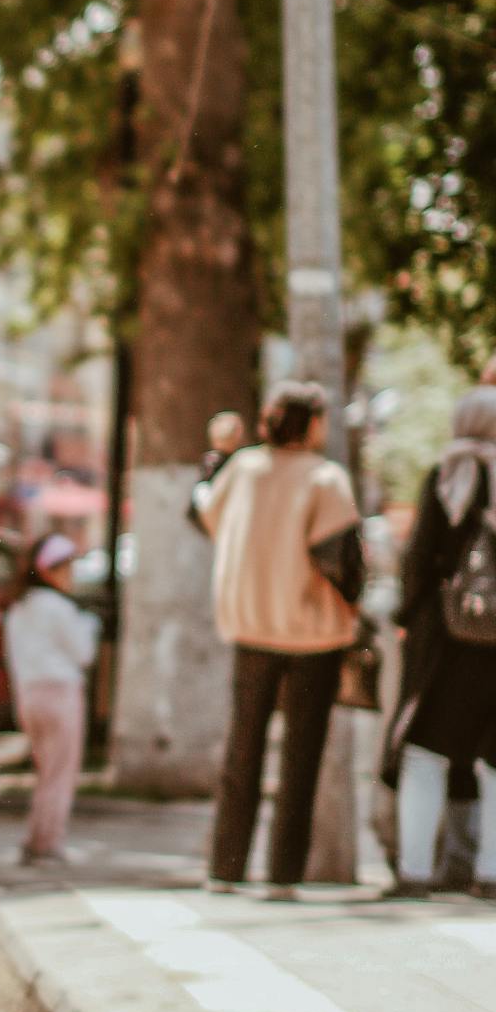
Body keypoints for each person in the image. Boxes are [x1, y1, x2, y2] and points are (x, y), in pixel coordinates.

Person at [196, 381, 363, 895]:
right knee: (300, 757)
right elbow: (343, 562)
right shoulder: (325, 478)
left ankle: (225, 870)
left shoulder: (244, 468)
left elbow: (204, 515)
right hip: (312, 635)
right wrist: (355, 610)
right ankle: (282, 877)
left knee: (241, 751)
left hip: (249, 626)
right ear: (311, 422)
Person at [381, 387, 496, 896]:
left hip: (444, 644)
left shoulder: (447, 476)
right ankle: (491, 874)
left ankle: (415, 871)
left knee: (425, 755)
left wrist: (409, 617)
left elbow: (418, 557)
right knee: (494, 763)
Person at [3, 533, 99, 864]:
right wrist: (90, 625)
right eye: (65, 568)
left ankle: (37, 838)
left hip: (30, 695)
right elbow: (83, 653)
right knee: (61, 772)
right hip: (61, 693)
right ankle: (48, 842)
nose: (70, 575)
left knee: (46, 769)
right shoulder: (60, 608)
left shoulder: (19, 608)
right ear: (49, 571)